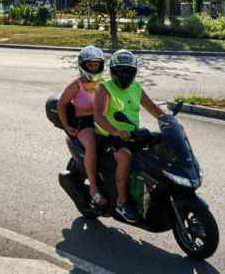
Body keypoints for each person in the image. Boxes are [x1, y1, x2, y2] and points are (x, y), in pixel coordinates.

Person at [93, 49, 166, 223]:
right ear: (113, 71)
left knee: (157, 150)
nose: (125, 75)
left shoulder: (136, 87)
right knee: (125, 157)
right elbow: (98, 116)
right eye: (121, 71)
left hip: (132, 134)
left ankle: (147, 193)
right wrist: (116, 131)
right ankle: (122, 201)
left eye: (129, 71)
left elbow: (153, 108)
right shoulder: (104, 88)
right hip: (109, 136)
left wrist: (168, 121)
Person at [57, 45, 107, 207]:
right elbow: (61, 103)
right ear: (83, 66)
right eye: (90, 65)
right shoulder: (76, 85)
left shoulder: (106, 83)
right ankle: (93, 188)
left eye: (96, 64)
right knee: (92, 146)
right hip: (85, 123)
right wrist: (65, 125)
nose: (94, 67)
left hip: (104, 120)